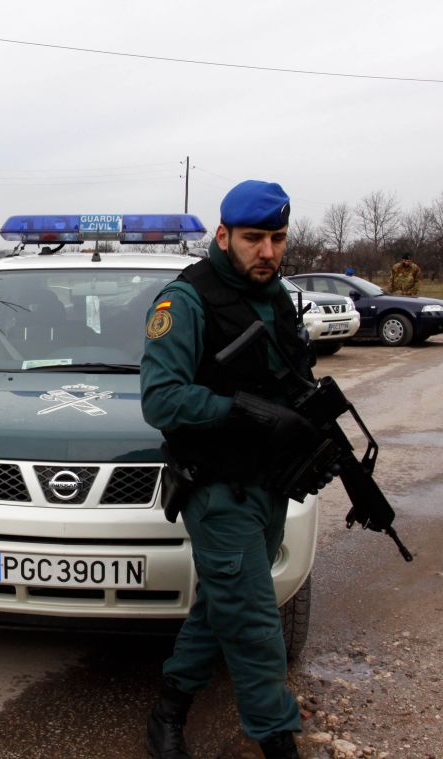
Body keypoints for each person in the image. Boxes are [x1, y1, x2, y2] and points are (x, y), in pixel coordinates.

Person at [140, 181, 322, 758]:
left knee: (223, 606)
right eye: (253, 238)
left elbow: (291, 380)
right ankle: (278, 741)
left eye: (278, 238)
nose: (267, 251)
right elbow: (161, 400)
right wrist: (248, 413)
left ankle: (167, 713)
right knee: (254, 623)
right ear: (223, 236)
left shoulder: (278, 296)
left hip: (269, 485)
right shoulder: (186, 301)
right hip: (218, 490)